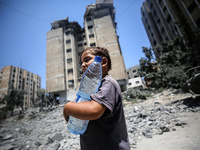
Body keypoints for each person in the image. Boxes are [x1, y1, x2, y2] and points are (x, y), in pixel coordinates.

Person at [63, 47, 130, 150]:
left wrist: (68, 108)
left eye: (87, 60)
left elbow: (94, 111)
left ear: (103, 62)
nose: (83, 65)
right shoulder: (93, 87)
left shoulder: (107, 83)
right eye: (81, 62)